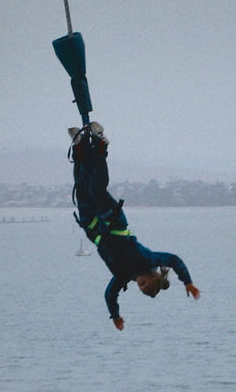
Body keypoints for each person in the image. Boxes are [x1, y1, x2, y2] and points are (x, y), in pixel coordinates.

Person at [69, 122, 200, 329]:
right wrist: (187, 281)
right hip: (113, 222)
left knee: (83, 190)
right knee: (96, 190)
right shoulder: (148, 260)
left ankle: (79, 148)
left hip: (94, 229)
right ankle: (101, 143)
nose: (140, 286)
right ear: (152, 277)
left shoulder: (123, 277)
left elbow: (109, 295)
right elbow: (174, 260)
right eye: (146, 285)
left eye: (141, 289)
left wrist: (115, 315)